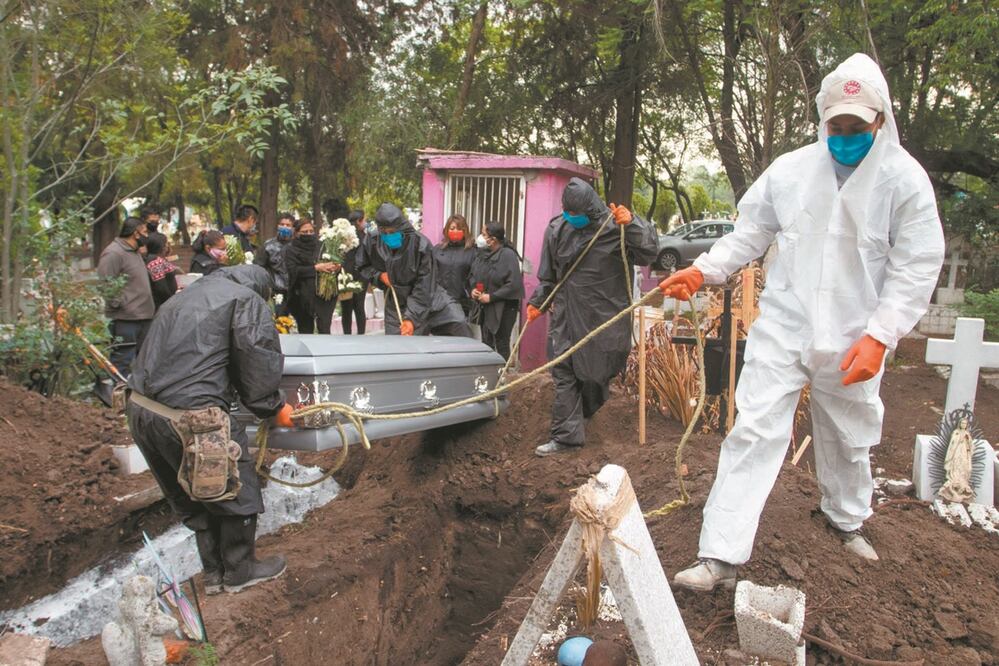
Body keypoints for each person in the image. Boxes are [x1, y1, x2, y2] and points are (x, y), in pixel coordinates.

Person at [661, 54, 945, 591]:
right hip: (786, 328)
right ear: (822, 119)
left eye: (856, 127)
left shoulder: (905, 182)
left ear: (879, 120)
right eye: (836, 126)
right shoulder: (791, 172)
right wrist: (705, 269)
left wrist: (881, 335)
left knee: (848, 435)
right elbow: (750, 232)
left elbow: (917, 266)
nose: (844, 136)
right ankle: (719, 554)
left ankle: (845, 520)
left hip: (855, 337)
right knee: (754, 429)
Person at [127, 265, 294, 594]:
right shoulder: (246, 300)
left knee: (194, 492)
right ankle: (240, 569)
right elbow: (257, 362)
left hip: (142, 410)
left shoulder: (181, 298)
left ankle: (214, 573)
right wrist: (273, 407)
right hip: (192, 416)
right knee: (235, 484)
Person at [527, 178, 658, 457]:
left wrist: (633, 223)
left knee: (594, 374)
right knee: (564, 372)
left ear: (592, 209)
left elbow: (648, 253)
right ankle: (566, 438)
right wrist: (538, 302)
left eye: (577, 215)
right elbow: (549, 277)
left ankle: (585, 414)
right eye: (568, 213)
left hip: (604, 315)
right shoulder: (556, 229)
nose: (572, 219)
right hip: (566, 313)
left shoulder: (615, 227)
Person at [355, 203, 471, 337]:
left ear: (402, 228)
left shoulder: (421, 245)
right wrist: (379, 276)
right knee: (399, 346)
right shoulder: (373, 240)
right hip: (397, 301)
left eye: (392, 232)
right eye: (385, 233)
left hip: (430, 297)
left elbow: (424, 284)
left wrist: (411, 318)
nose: (389, 236)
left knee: (458, 323)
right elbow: (362, 265)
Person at [97, 217, 155, 377]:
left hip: (144, 315)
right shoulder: (114, 253)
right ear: (136, 234)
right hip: (126, 318)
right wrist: (120, 304)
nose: (146, 236)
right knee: (122, 360)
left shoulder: (134, 252)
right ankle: (115, 395)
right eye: (144, 232)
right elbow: (105, 282)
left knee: (144, 360)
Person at [469, 221, 524, 360]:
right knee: (486, 343)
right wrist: (474, 290)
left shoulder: (508, 255)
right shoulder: (482, 254)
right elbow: (474, 276)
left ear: (492, 239)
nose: (479, 237)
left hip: (504, 307)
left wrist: (492, 297)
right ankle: (490, 375)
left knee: (501, 342)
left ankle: (503, 377)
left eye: (483, 234)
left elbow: (513, 284)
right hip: (485, 306)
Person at [284, 218, 339, 334]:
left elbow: (332, 262)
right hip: (302, 296)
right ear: (297, 233)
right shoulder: (291, 249)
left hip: (324, 294)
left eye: (311, 231)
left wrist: (335, 267)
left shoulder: (322, 245)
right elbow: (293, 270)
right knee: (305, 330)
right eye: (305, 232)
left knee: (325, 328)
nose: (308, 234)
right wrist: (316, 268)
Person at [433, 214, 476, 318]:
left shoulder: (473, 252)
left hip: (462, 304)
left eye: (459, 228)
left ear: (465, 230)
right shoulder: (437, 250)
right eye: (452, 228)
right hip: (440, 302)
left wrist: (472, 291)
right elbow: (430, 274)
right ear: (447, 230)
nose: (455, 231)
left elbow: (475, 276)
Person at [255, 212, 294, 315]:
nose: (284, 227)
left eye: (288, 225)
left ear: (293, 228)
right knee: (280, 321)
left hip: (295, 290)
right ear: (277, 226)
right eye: (282, 224)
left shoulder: (297, 245)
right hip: (277, 291)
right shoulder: (268, 246)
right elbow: (259, 267)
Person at [340, 210, 368, 335]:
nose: (365, 223)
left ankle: (347, 334)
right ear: (358, 221)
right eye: (364, 220)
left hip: (345, 275)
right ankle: (361, 334)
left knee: (346, 308)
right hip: (360, 276)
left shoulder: (343, 236)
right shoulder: (363, 237)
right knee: (359, 307)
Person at [143, 235, 178, 310]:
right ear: (162, 246)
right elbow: (161, 287)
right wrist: (171, 300)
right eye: (166, 244)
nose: (167, 246)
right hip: (163, 304)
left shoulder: (156, 259)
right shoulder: (156, 262)